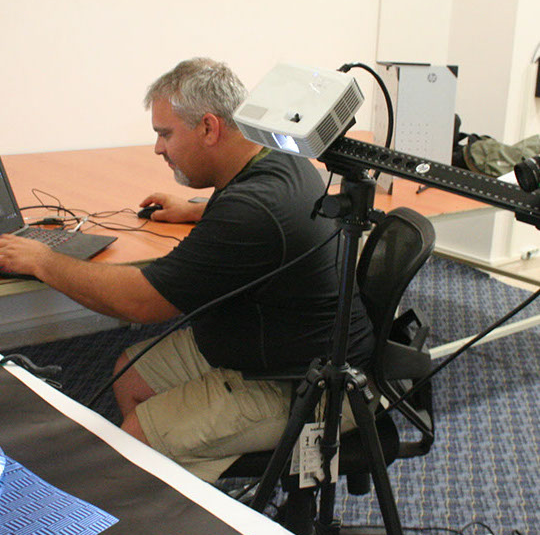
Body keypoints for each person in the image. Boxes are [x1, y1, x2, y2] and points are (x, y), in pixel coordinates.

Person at [0, 57, 374, 482]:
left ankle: (176, 494)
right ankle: (176, 479)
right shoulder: (273, 155)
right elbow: (264, 216)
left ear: (209, 128)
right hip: (265, 340)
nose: (158, 148)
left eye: (165, 134)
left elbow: (140, 302)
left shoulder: (250, 211)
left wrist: (42, 260)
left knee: (137, 438)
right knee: (131, 374)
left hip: (300, 383)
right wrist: (196, 210)